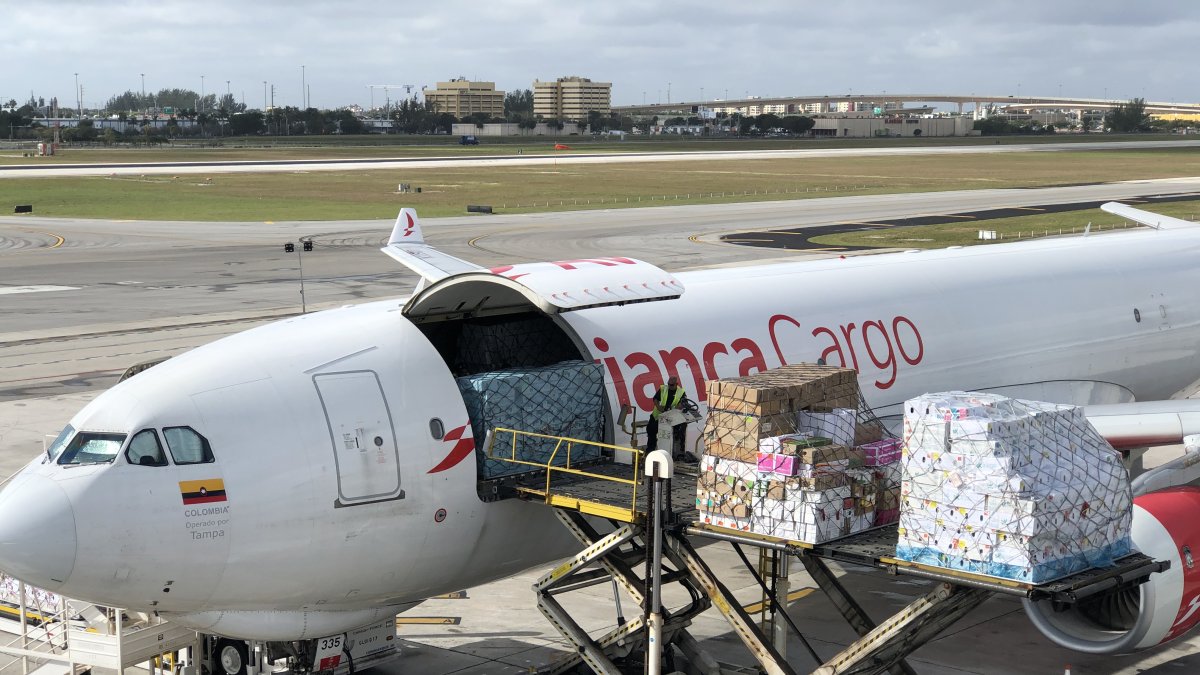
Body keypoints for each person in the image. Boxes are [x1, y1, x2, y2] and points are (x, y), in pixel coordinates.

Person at [645, 376, 688, 457]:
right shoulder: (663, 389)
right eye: (668, 384)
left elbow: (683, 402)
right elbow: (655, 399)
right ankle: (650, 450)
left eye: (671, 385)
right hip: (658, 415)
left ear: (676, 384)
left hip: (671, 416)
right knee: (651, 431)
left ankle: (677, 452)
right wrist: (658, 406)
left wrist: (680, 406)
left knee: (678, 432)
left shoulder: (680, 392)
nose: (669, 386)